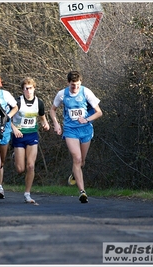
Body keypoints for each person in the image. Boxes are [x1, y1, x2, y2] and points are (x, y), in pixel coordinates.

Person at [49, 71, 102, 203]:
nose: (75, 88)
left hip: (85, 130)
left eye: (78, 85)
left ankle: (74, 173)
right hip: (70, 130)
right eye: (73, 85)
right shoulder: (62, 94)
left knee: (81, 161)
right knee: (77, 158)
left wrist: (87, 119)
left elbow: (99, 112)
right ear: (68, 83)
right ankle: (82, 192)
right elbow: (52, 110)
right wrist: (56, 124)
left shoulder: (86, 92)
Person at [11, 77, 50, 204]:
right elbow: (7, 118)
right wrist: (14, 129)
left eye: (30, 88)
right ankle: (15, 156)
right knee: (20, 169)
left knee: (31, 165)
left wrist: (45, 124)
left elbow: (42, 118)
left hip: (32, 135)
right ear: (22, 90)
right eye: (26, 88)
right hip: (19, 136)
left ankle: (27, 194)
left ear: (34, 89)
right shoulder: (17, 102)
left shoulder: (39, 103)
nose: (28, 91)